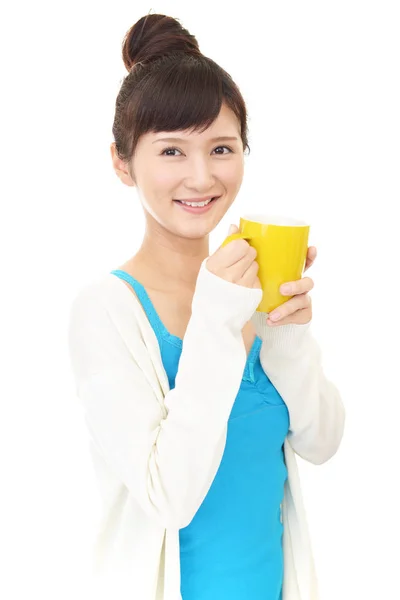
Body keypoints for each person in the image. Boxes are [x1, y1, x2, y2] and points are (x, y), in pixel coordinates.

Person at [67, 12, 345, 600]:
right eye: (172, 151)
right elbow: (169, 494)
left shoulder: (247, 293)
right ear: (122, 163)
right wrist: (218, 319)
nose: (201, 177)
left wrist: (287, 331)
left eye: (221, 147)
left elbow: (321, 442)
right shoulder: (106, 310)